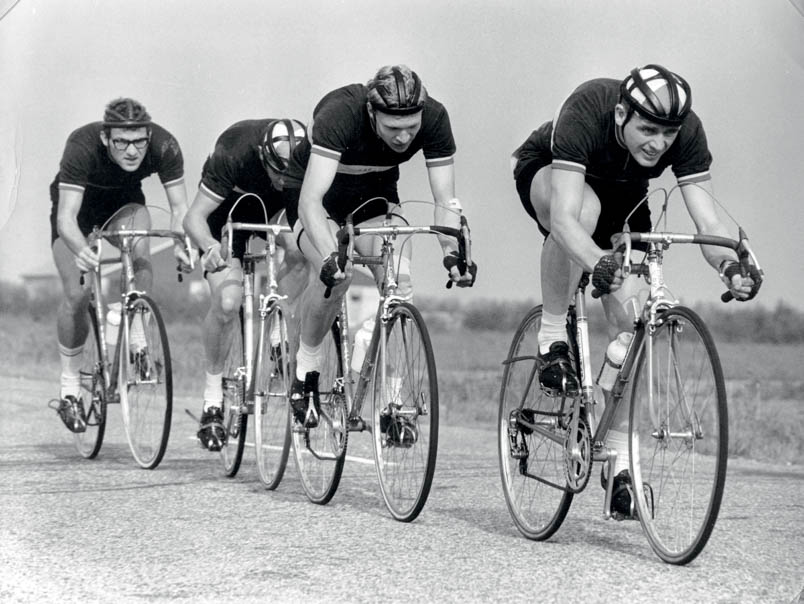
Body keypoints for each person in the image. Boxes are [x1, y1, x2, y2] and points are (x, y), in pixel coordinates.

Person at [511, 64, 762, 517]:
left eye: (667, 135)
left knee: (633, 324)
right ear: (622, 114)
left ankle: (621, 464)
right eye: (647, 129)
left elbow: (708, 224)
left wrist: (729, 265)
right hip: (557, 181)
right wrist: (598, 263)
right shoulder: (588, 107)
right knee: (584, 212)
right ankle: (551, 335)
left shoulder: (687, 133)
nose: (658, 143)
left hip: (628, 197)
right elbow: (566, 220)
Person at [283, 64, 477, 433]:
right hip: (317, 199)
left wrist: (452, 253)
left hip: (376, 196)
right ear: (371, 113)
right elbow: (311, 201)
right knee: (335, 281)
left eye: (411, 128)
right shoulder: (339, 113)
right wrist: (330, 257)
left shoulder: (435, 118)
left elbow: (444, 201)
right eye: (393, 129)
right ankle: (306, 369)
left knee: (400, 290)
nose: (404, 138)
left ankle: (392, 401)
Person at [49, 97, 194, 432]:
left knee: (140, 248)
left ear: (149, 136)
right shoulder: (81, 145)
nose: (132, 151)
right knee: (78, 293)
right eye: (122, 142)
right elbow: (66, 218)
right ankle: (70, 389)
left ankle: (137, 335)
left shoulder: (165, 145)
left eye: (140, 142)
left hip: (124, 204)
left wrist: (181, 243)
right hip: (79, 214)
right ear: (105, 138)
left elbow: (179, 208)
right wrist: (79, 249)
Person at [183, 118, 309, 451]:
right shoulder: (234, 152)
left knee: (299, 250)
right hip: (228, 214)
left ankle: (277, 329)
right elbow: (193, 217)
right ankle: (212, 398)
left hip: (278, 211)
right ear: (262, 155)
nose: (282, 180)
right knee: (227, 303)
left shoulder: (307, 155)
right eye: (277, 172)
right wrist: (208, 246)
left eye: (289, 173)